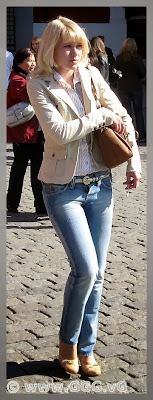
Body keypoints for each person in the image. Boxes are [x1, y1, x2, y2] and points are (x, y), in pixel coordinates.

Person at [27, 16, 142, 376]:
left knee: (100, 273)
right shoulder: (39, 83)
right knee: (86, 269)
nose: (75, 52)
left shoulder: (92, 75)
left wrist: (134, 162)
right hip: (62, 188)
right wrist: (100, 117)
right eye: (67, 46)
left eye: (79, 45)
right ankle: (67, 343)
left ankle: (86, 348)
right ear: (51, 48)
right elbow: (59, 134)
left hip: (100, 185)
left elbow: (121, 114)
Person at [7, 47, 46, 214]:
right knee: (19, 170)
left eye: (34, 60)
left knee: (38, 170)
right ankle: (12, 203)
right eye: (29, 60)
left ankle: (40, 205)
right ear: (19, 62)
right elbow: (32, 95)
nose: (33, 63)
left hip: (35, 132)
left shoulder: (29, 78)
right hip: (24, 134)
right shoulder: (17, 79)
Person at [115, 38, 146, 143]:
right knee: (139, 112)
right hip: (136, 87)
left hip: (123, 87)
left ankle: (128, 135)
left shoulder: (119, 58)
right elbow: (142, 73)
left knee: (127, 113)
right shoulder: (137, 58)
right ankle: (141, 136)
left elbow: (116, 72)